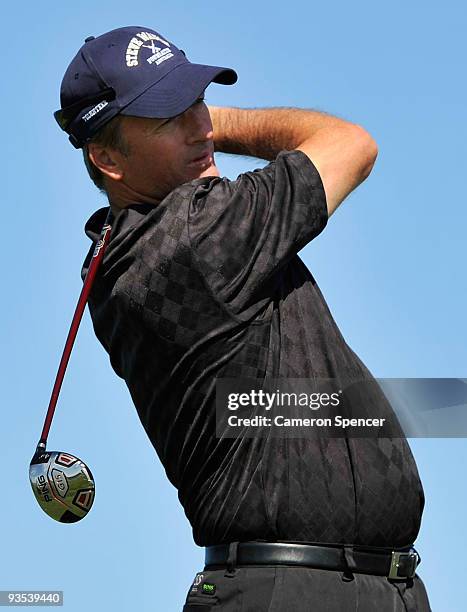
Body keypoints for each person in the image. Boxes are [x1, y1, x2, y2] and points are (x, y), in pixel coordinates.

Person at [55, 26, 431, 611]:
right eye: (167, 116)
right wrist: (219, 127)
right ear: (106, 158)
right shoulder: (193, 237)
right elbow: (351, 143)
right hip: (286, 592)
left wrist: (184, 125)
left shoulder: (159, 241)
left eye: (198, 102)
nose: (199, 125)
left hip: (369, 587)